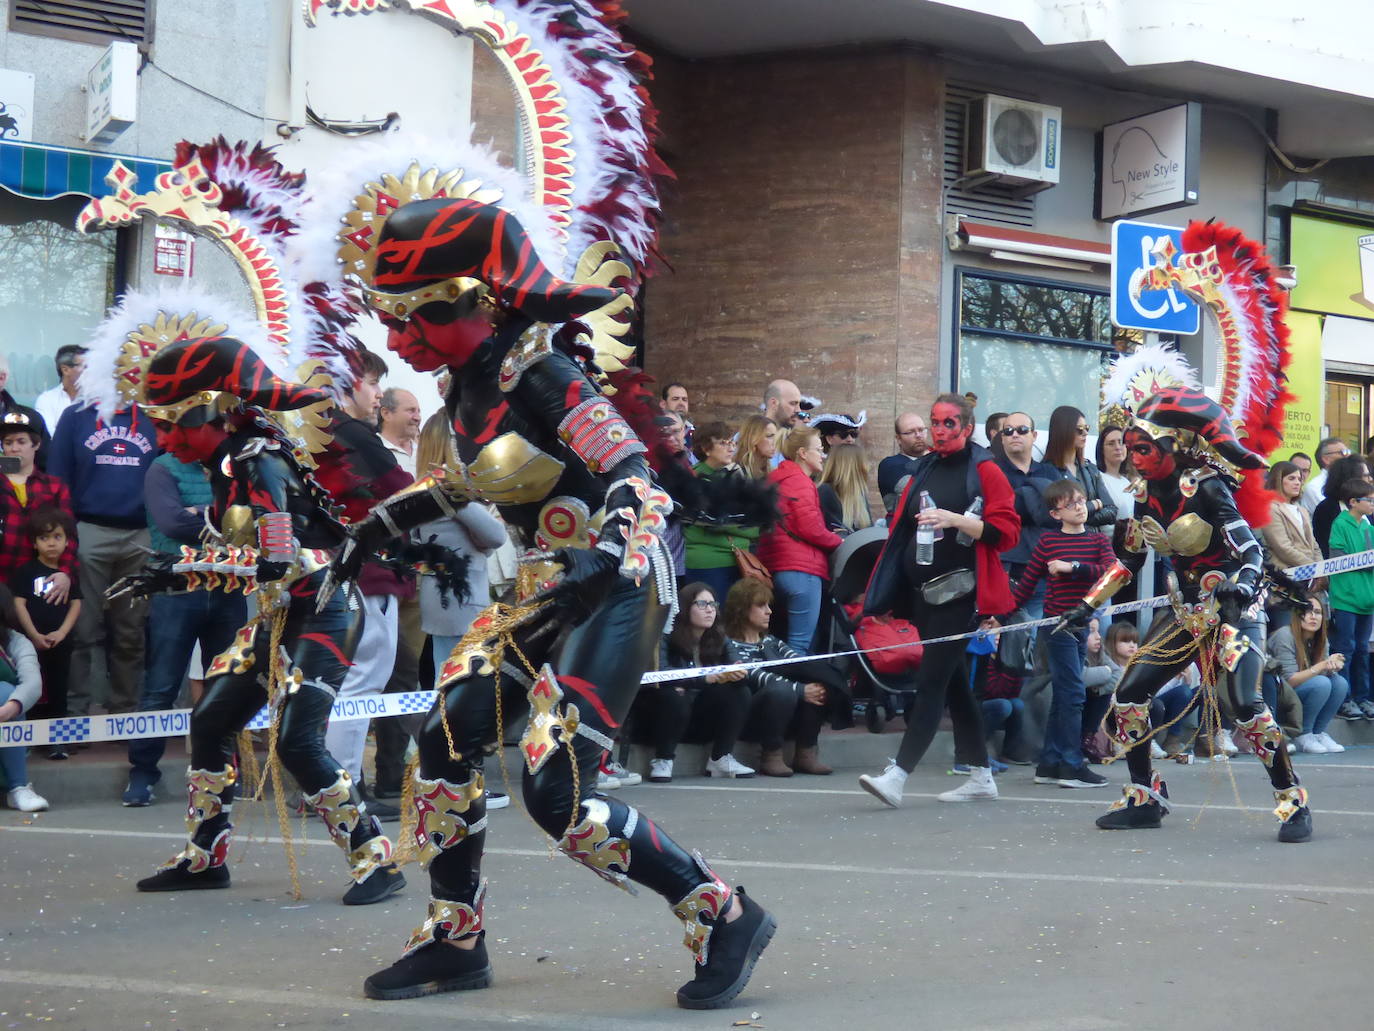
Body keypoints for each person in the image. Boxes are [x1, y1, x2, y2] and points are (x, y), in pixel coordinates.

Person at [323, 189, 777, 1006]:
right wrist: (368, 531)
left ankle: (723, 911)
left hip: (617, 584)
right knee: (443, 739)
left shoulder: (542, 371)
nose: (397, 339)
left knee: (560, 789)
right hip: (542, 589)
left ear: (480, 298)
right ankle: (454, 938)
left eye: (415, 315)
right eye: (388, 318)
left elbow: (636, 480)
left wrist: (602, 561)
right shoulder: (461, 389)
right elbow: (456, 484)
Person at [99, 336, 404, 904]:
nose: (164, 440)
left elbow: (274, 561)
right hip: (284, 610)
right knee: (211, 719)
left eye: (175, 424)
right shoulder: (228, 461)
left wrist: (177, 569)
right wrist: (181, 570)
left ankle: (375, 859)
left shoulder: (256, 458)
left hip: (324, 610)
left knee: (297, 741)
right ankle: (205, 857)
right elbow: (246, 556)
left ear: (211, 409)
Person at [857, 392, 1019, 807]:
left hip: (962, 594)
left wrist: (956, 519)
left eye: (950, 423)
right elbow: (901, 532)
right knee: (953, 687)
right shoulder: (924, 467)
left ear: (967, 428)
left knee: (930, 682)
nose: (940, 430)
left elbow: (1007, 533)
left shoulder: (985, 469)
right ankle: (981, 775)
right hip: (923, 595)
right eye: (935, 421)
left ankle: (898, 775)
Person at [317, 351, 415, 818]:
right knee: (360, 683)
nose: (378, 394)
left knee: (346, 683)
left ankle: (333, 782)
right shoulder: (351, 435)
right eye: (373, 383)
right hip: (364, 573)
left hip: (344, 572)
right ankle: (344, 787)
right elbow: (401, 489)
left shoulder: (325, 431)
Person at [122, 447, 248, 805]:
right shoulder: (162, 468)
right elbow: (171, 523)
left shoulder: (229, 464)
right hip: (177, 589)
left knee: (226, 684)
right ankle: (143, 772)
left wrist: (200, 514)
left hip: (227, 586)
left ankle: (223, 770)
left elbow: (251, 519)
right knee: (160, 685)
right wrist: (221, 519)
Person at [49, 397, 157, 716]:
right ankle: (74, 713)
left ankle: (124, 710)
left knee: (131, 631)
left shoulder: (152, 415)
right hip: (89, 530)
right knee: (81, 629)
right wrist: (66, 535)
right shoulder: (76, 416)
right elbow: (58, 477)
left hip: (141, 533)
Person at [1003, 478, 1115, 789]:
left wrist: (1073, 567)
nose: (1080, 507)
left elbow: (1112, 573)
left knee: (1065, 695)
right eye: (1071, 503)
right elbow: (1024, 586)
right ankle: (1070, 763)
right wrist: (999, 617)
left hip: (1083, 624)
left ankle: (1050, 763)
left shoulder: (1097, 542)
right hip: (1059, 625)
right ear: (1056, 514)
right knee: (1073, 693)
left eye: (1081, 500)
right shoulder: (1048, 543)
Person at [722, 578, 837, 777]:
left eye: (769, 605)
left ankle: (806, 753)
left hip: (786, 711)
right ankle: (771, 755)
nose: (769, 611)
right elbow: (755, 675)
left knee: (817, 682)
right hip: (751, 717)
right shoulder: (729, 644)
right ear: (741, 609)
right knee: (782, 691)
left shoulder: (772, 641)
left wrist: (814, 683)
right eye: (761, 606)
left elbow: (800, 665)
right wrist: (799, 691)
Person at [642, 581, 752, 782]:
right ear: (685, 608)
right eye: (702, 604)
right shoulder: (666, 635)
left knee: (740, 691)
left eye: (713, 605)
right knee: (673, 695)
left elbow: (737, 662)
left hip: (700, 714)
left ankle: (720, 758)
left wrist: (738, 671)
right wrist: (704, 678)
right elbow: (661, 673)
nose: (710, 610)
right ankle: (663, 759)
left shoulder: (720, 636)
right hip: (665, 715)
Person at [756, 425, 843, 654]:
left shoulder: (777, 479)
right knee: (800, 645)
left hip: (776, 568)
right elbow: (811, 528)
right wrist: (838, 541)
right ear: (803, 453)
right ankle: (797, 690)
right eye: (819, 449)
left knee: (781, 641)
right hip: (801, 571)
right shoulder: (800, 481)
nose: (823, 454)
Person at [9, 507, 82, 760]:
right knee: (31, 689)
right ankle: (28, 740)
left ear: (67, 541)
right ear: (34, 542)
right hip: (32, 643)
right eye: (44, 538)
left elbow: (76, 603)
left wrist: (62, 632)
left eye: (57, 537)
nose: (51, 543)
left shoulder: (68, 576)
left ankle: (58, 741)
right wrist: (33, 635)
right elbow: (18, 604)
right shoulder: (26, 572)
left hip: (60, 642)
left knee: (59, 690)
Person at [0, 412, 78, 603]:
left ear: (36, 444)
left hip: (41, 579)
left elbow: (70, 535)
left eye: (21, 441)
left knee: (42, 629)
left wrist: (65, 573)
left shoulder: (54, 486)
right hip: (2, 576)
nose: (14, 448)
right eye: (8, 443)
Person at [991, 411, 1060, 618]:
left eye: (1022, 430)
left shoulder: (1049, 473)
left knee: (1037, 641)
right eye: (1008, 431)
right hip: (1005, 570)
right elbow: (1000, 513)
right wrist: (1038, 497)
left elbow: (1060, 514)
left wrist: (1020, 497)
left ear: (1034, 435)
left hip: (1044, 571)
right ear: (1002, 437)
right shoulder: (991, 471)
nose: (1015, 435)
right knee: (1005, 642)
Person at [682, 420, 756, 603]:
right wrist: (752, 526)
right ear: (706, 449)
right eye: (723, 443)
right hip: (710, 564)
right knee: (713, 621)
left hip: (738, 561)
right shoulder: (694, 479)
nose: (730, 447)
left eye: (732, 442)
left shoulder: (732, 475)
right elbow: (718, 521)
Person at [1269, 598, 1348, 753]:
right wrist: (1322, 666)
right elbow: (1288, 681)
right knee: (1321, 683)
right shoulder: (1284, 635)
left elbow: (1322, 671)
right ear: (1297, 615)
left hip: (1301, 690)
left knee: (1339, 683)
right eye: (1307, 611)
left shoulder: (1321, 639)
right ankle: (1303, 734)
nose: (1313, 616)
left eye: (1318, 612)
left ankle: (1318, 733)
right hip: (1276, 696)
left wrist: (1333, 665)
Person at [1328, 478, 1374, 721]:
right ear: (1354, 502)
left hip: (1367, 599)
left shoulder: (1368, 527)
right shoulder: (1341, 524)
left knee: (1362, 650)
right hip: (1346, 599)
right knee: (1345, 649)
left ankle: (1362, 697)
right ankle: (1344, 699)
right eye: (1369, 500)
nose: (1373, 503)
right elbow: (1338, 559)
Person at [0, 584, 46, 812]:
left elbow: (32, 683)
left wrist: (10, 708)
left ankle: (18, 787)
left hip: (4, 721)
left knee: (6, 692)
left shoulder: (16, 642)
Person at [1041, 406, 1115, 532]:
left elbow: (1112, 511)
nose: (1085, 433)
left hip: (1093, 544)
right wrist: (1094, 505)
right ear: (1064, 431)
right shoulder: (1046, 471)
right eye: (1079, 429)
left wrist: (1076, 517)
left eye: (1086, 428)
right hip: (1066, 546)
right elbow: (1053, 517)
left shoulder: (1090, 469)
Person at [1260, 461, 1322, 588]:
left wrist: (1320, 568)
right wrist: (1314, 567)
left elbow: (1314, 544)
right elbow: (1282, 547)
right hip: (1284, 578)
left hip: (1309, 576)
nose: (1297, 482)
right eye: (1291, 478)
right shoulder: (1270, 508)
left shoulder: (1302, 509)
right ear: (1277, 480)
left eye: (1299, 479)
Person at [1312, 455, 1369, 558]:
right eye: (1365, 476)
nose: (1369, 480)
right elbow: (1327, 549)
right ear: (1351, 479)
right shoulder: (1327, 509)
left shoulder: (1367, 506)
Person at [817, 443, 874, 535]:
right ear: (855, 466)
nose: (867, 467)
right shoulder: (826, 491)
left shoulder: (860, 493)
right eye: (864, 462)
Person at [33, 345, 86, 436]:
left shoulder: (96, 399)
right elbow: (49, 435)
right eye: (84, 366)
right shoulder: (47, 399)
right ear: (65, 370)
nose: (89, 371)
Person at [878, 412, 929, 501]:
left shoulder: (934, 460)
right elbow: (921, 493)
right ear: (898, 439)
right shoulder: (890, 465)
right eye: (910, 432)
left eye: (921, 430)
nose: (918, 435)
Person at [1095, 425, 1136, 525]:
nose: (1118, 447)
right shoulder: (1097, 479)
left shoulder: (1126, 482)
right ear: (1101, 450)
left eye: (1121, 442)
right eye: (1111, 443)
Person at [378, 387, 422, 476]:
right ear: (386, 413)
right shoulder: (372, 450)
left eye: (418, 411)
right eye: (411, 410)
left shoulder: (425, 450)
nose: (418, 418)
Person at [1300, 437, 1349, 514]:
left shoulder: (1351, 482)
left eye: (1348, 452)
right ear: (1326, 459)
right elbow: (1333, 516)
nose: (1348, 456)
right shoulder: (1314, 487)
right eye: (1343, 452)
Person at [736, 414, 779, 481]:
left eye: (775, 437)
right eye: (769, 436)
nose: (775, 442)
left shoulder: (773, 474)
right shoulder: (736, 474)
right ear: (753, 438)